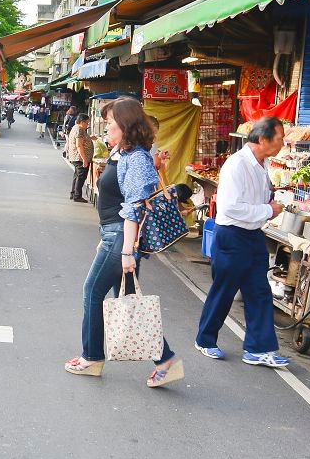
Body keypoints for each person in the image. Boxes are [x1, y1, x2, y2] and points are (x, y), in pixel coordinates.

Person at [66, 98, 184, 388]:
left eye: (110, 123)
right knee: (129, 298)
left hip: (121, 236)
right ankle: (165, 359)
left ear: (126, 125)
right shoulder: (125, 154)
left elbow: (133, 209)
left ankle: (92, 357)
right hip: (114, 234)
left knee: (92, 291)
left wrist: (127, 250)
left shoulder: (138, 159)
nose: (106, 128)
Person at [195, 117, 289, 368]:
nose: (282, 142)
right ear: (262, 139)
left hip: (253, 235)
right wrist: (268, 210)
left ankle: (258, 349)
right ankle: (205, 340)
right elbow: (232, 208)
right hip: (232, 235)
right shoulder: (237, 165)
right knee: (224, 290)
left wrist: (266, 210)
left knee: (259, 291)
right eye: (279, 137)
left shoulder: (262, 164)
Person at [66, 114, 93, 202]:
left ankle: (73, 194)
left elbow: (81, 140)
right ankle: (77, 196)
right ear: (82, 122)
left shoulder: (76, 127)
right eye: (87, 123)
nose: (88, 125)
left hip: (76, 157)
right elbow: (79, 145)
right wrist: (84, 159)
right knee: (81, 177)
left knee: (77, 176)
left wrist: (90, 138)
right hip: (79, 157)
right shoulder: (80, 130)